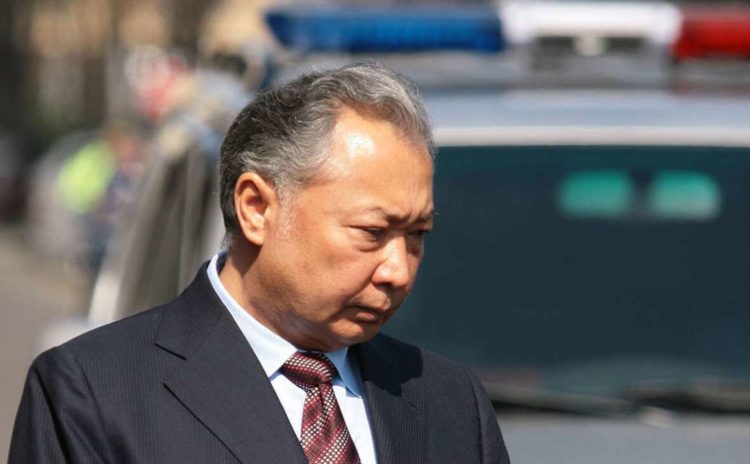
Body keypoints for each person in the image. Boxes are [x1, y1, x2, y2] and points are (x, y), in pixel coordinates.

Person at [10, 62, 510, 464]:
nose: (398, 271)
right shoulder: (95, 394)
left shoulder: (449, 401)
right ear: (257, 208)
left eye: (417, 235)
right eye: (371, 233)